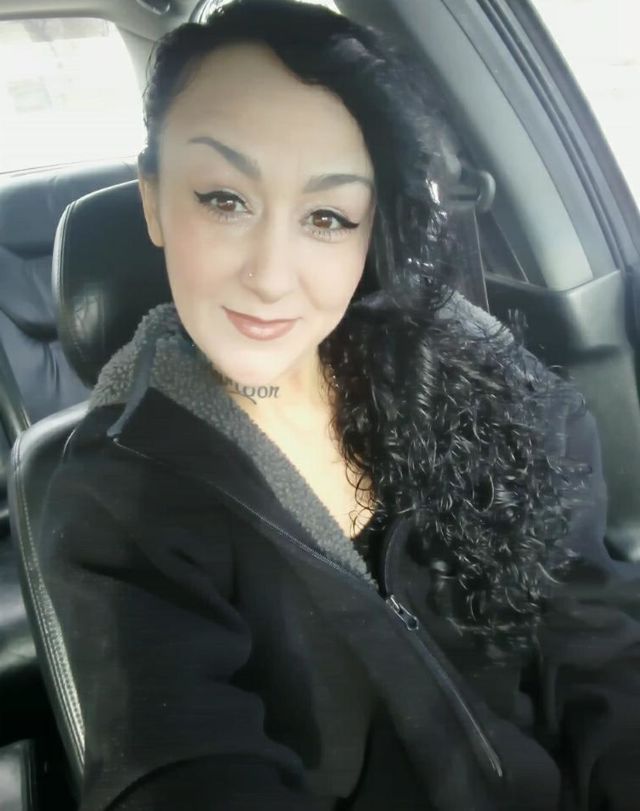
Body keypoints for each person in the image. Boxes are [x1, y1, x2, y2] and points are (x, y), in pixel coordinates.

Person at [40, 1, 640, 809]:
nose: (270, 275)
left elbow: (597, 639)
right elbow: (177, 767)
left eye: (326, 217)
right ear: (153, 200)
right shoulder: (121, 494)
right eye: (223, 199)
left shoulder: (466, 369)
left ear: (369, 228)